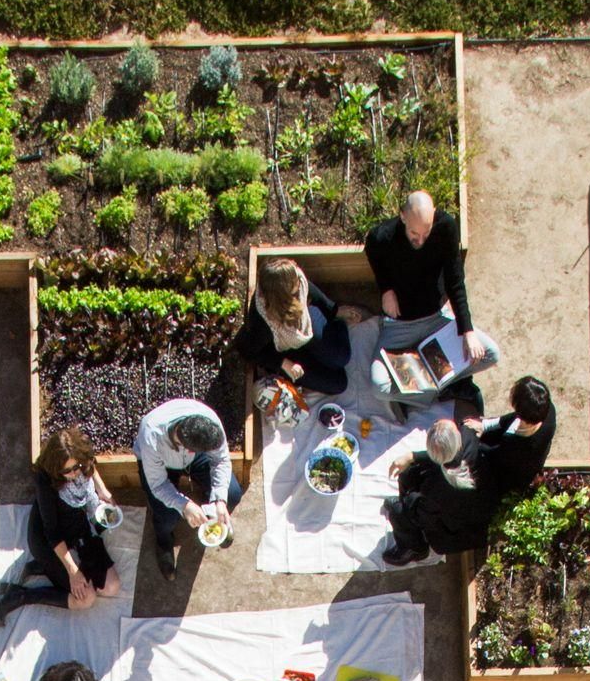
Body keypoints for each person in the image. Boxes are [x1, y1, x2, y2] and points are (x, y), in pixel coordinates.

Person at [363, 191, 498, 413]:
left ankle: (424, 391)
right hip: (400, 326)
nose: (420, 241)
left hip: (436, 320)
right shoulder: (383, 237)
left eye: (426, 233)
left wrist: (467, 331)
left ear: (434, 216)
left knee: (491, 353)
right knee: (379, 386)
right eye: (414, 234)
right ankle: (438, 390)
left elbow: (455, 282)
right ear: (403, 217)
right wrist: (386, 289)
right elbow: (372, 249)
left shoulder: (445, 228)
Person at [0, 427, 123, 621]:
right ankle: (20, 595)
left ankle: (45, 568)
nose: (74, 473)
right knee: (85, 598)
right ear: (56, 468)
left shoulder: (82, 460)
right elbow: (52, 532)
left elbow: (90, 465)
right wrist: (73, 572)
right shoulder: (45, 479)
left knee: (111, 587)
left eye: (77, 467)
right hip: (49, 538)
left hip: (77, 525)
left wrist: (102, 490)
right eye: (67, 470)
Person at [134, 397, 244, 580]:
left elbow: (221, 460)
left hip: (194, 459)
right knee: (168, 515)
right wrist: (184, 505)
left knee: (232, 494)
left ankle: (211, 507)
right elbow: (158, 484)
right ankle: (163, 541)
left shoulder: (210, 422)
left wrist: (220, 500)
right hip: (161, 465)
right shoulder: (151, 436)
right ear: (187, 447)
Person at [232, 257, 354, 401]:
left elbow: (311, 291)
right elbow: (246, 350)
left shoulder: (296, 280)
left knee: (342, 356)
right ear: (284, 295)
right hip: (286, 349)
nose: (299, 278)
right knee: (339, 384)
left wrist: (334, 310)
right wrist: (283, 363)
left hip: (304, 324)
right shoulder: (264, 321)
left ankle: (333, 329)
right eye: (295, 282)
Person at [379, 418, 495, 567]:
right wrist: (412, 456)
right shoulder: (467, 436)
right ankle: (405, 505)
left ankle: (414, 548)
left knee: (398, 511)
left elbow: (425, 515)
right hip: (469, 497)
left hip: (461, 528)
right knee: (409, 472)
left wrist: (409, 501)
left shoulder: (436, 490)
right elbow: (448, 456)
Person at [465, 375, 557, 498]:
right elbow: (513, 417)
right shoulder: (547, 409)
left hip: (511, 476)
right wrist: (484, 425)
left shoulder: (515, 443)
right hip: (515, 457)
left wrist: (474, 443)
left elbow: (493, 455)